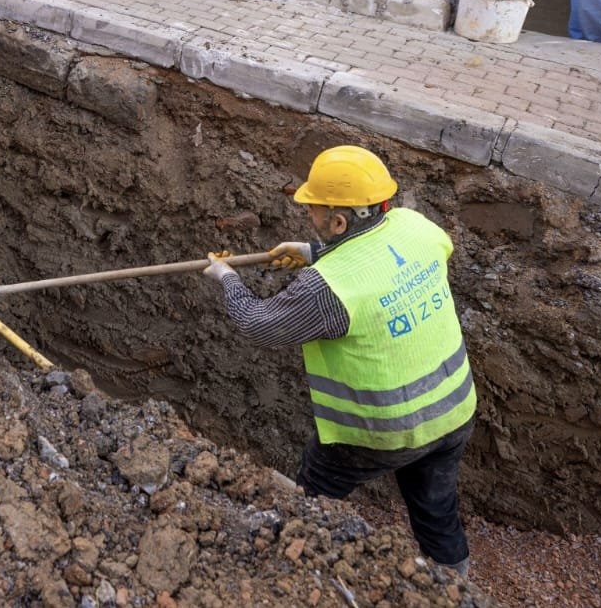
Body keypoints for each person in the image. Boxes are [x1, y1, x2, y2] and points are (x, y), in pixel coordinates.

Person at [204, 145, 476, 576]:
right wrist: (316, 250)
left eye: (314, 209)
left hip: (382, 430)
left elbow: (260, 326)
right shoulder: (417, 227)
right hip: (453, 410)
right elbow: (384, 262)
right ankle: (456, 588)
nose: (308, 213)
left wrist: (228, 278)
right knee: (436, 508)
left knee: (316, 490)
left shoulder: (325, 288)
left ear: (339, 222)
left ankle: (296, 563)